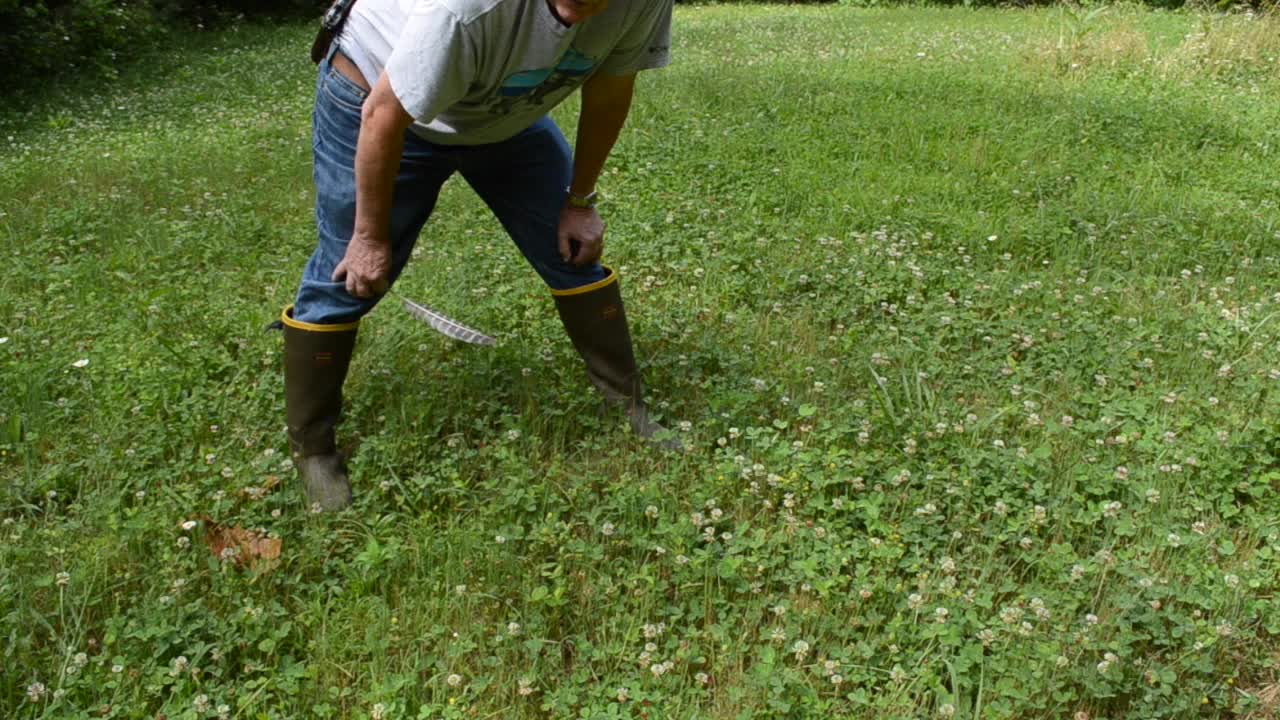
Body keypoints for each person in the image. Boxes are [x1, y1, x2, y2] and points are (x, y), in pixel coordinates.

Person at [280, 0, 677, 511]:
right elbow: (382, 115)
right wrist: (370, 237)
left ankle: (630, 406)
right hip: (376, 93)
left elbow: (610, 89)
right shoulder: (466, 9)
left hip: (502, 113)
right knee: (350, 273)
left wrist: (580, 202)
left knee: (574, 248)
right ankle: (314, 450)